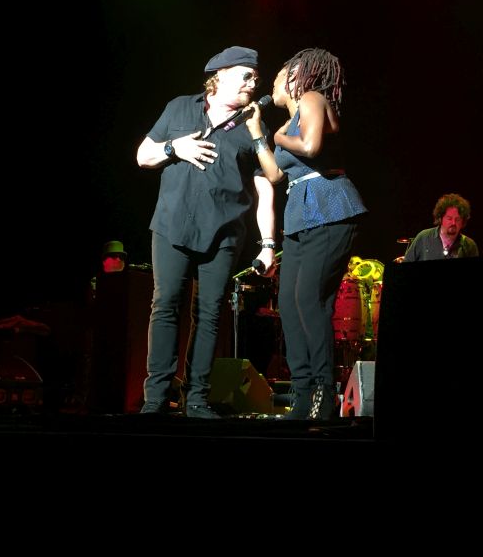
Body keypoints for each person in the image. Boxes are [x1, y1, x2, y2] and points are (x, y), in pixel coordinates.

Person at [136, 46, 276, 419]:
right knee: (166, 305)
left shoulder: (253, 127)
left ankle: (196, 398)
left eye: (255, 78)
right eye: (246, 75)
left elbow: (266, 188)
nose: (253, 83)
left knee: (210, 313)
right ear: (221, 75)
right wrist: (174, 147)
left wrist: (267, 244)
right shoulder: (181, 108)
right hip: (172, 225)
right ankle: (156, 398)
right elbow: (143, 156)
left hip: (224, 234)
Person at [247, 47, 367, 420]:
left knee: (309, 300)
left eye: (279, 74)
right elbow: (274, 174)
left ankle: (323, 393)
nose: (273, 82)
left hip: (329, 208)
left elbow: (312, 147)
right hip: (300, 215)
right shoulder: (289, 121)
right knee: (290, 303)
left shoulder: (313, 98)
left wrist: (279, 137)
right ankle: (302, 395)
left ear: (298, 75)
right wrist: (258, 134)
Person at [403, 193, 479, 261]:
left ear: (463, 221)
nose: (453, 223)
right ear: (440, 218)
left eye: (457, 219)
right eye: (449, 218)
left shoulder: (469, 246)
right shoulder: (424, 237)